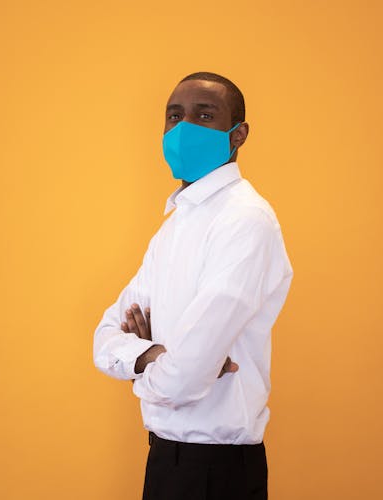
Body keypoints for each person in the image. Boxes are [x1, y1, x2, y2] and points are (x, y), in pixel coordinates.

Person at [93, 72, 293, 500]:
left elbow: (183, 382)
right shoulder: (174, 227)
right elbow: (105, 336)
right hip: (165, 462)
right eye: (174, 115)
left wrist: (139, 377)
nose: (184, 129)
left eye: (204, 116)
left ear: (237, 134)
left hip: (216, 473)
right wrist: (156, 355)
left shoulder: (244, 221)